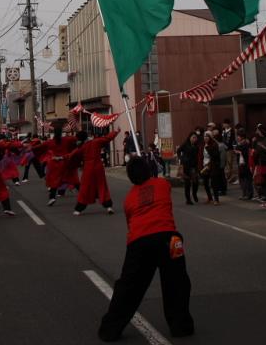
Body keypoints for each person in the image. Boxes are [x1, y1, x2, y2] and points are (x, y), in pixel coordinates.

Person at [98, 156, 194, 341]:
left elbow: (130, 225)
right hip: (170, 238)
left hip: (139, 241)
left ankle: (110, 329)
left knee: (129, 286)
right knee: (177, 282)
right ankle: (181, 326)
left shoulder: (129, 200)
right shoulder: (162, 184)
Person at [70, 128, 119, 216]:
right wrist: (115, 131)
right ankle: (108, 206)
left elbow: (72, 155)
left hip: (88, 169)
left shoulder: (81, 147)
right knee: (102, 186)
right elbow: (107, 138)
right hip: (98, 167)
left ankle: (79, 209)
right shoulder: (95, 142)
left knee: (85, 189)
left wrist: (61, 158)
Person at [33, 125, 77, 206]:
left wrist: (28, 147)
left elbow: (38, 147)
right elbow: (76, 139)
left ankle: (52, 197)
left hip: (54, 163)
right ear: (61, 133)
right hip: (65, 161)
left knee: (54, 181)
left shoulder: (50, 142)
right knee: (72, 178)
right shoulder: (66, 139)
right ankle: (82, 193)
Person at [252, 124, 266, 209]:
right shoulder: (259, 140)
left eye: (258, 130)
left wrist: (261, 147)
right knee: (264, 183)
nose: (257, 132)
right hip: (261, 163)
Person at [177, 133, 200, 205]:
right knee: (187, 183)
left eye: (195, 138)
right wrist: (181, 158)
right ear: (190, 138)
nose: (194, 139)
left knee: (195, 181)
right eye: (193, 137)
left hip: (193, 166)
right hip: (186, 165)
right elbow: (178, 151)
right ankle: (188, 199)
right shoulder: (185, 144)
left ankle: (194, 194)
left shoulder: (197, 145)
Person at [201, 132, 221, 205]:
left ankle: (216, 199)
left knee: (213, 183)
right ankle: (210, 198)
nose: (205, 138)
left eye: (207, 137)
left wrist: (207, 148)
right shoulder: (203, 145)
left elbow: (215, 155)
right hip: (205, 166)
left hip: (212, 166)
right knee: (205, 183)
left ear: (210, 138)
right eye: (204, 137)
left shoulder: (214, 145)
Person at [234, 130, 253, 200]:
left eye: (238, 136)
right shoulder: (240, 144)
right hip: (241, 163)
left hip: (246, 164)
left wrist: (239, 151)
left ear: (242, 137)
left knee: (247, 179)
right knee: (242, 179)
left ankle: (248, 194)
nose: (237, 138)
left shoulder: (246, 144)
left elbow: (245, 153)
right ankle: (244, 194)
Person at [222, 119, 238, 184]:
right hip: (224, 149)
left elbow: (233, 140)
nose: (224, 125)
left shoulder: (232, 131)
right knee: (226, 164)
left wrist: (234, 148)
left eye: (225, 123)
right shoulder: (223, 131)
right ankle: (228, 177)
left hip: (229, 149)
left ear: (228, 124)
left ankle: (231, 178)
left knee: (230, 163)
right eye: (224, 124)